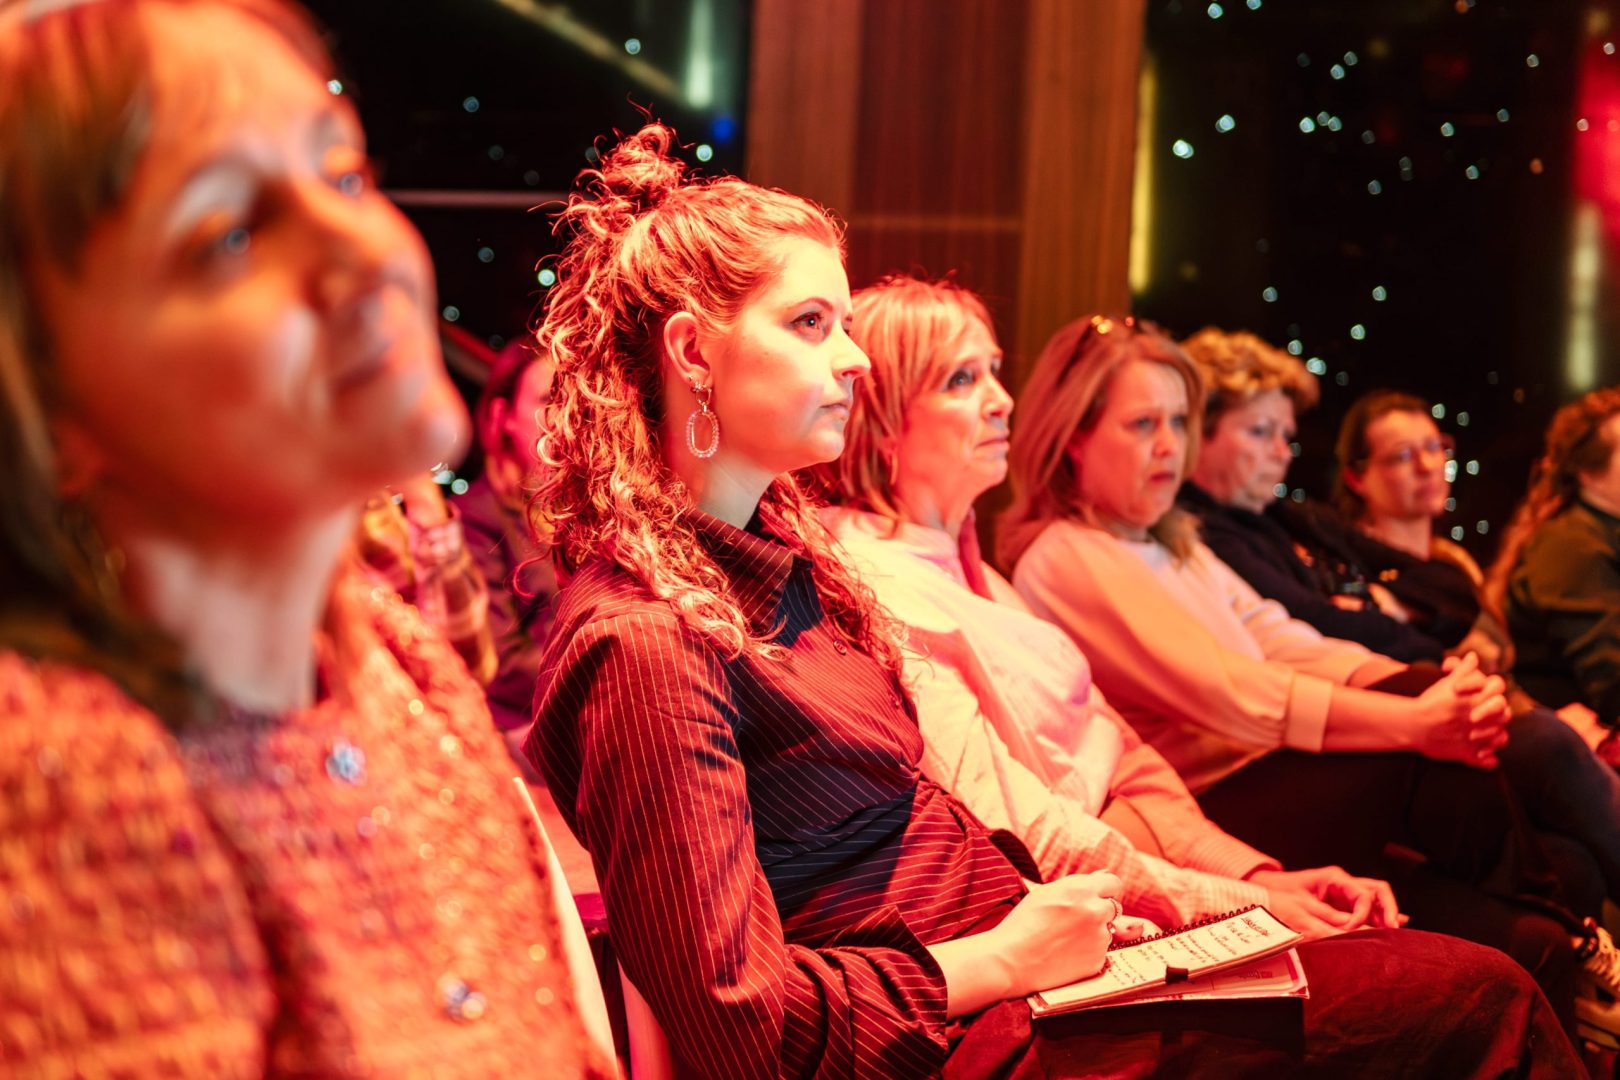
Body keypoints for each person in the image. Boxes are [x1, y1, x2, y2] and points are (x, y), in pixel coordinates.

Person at [521, 129, 1580, 1077]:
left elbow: (965, 819)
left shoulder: (785, 568)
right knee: (1482, 996)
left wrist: (1155, 908)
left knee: (1466, 968)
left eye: (845, 323)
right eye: (810, 322)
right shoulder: (645, 639)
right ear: (693, 354)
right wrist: (1003, 957)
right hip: (967, 1032)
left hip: (1038, 968)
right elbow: (740, 1027)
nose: (852, 358)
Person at [0, 0, 612, 1073]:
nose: (363, 251)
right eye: (230, 234)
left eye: (345, 176)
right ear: (48, 404)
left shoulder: (399, 666)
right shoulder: (61, 782)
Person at [1001, 314, 1620, 1031]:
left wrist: (1431, 693)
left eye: (1178, 421)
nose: (1170, 444)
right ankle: (1576, 935)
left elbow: (1283, 637)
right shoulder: (1064, 554)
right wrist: (1414, 718)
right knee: (1514, 745)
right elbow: (1232, 691)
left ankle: (1570, 936)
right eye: (1144, 424)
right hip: (1218, 802)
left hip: (1280, 770)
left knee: (1558, 882)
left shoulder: (1170, 541)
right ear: (1073, 437)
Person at [814, 275, 1403, 938]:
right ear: (881, 417)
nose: (1001, 400)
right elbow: (1026, 833)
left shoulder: (984, 575)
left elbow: (1127, 754)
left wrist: (1257, 877)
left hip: (1160, 877)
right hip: (1100, 916)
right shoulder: (877, 584)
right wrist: (1237, 900)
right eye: (960, 380)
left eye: (994, 372)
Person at [1175, 329, 1452, 665]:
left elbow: (1454, 589)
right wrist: (1426, 643)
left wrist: (1390, 606)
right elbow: (1317, 623)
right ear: (1196, 431)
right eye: (1260, 431)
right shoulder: (1199, 532)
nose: (1282, 453)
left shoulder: (1292, 517)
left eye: (1286, 435)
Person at [1488, 387, 1620, 744]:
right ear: (1588, 473)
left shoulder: (1597, 533)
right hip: (1574, 748)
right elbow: (1612, 684)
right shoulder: (1574, 546)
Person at [452, 338, 560, 754]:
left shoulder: (570, 513)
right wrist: (597, 675)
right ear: (503, 416)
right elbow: (501, 661)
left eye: (568, 402)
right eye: (547, 400)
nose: (562, 419)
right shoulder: (476, 517)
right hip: (513, 736)